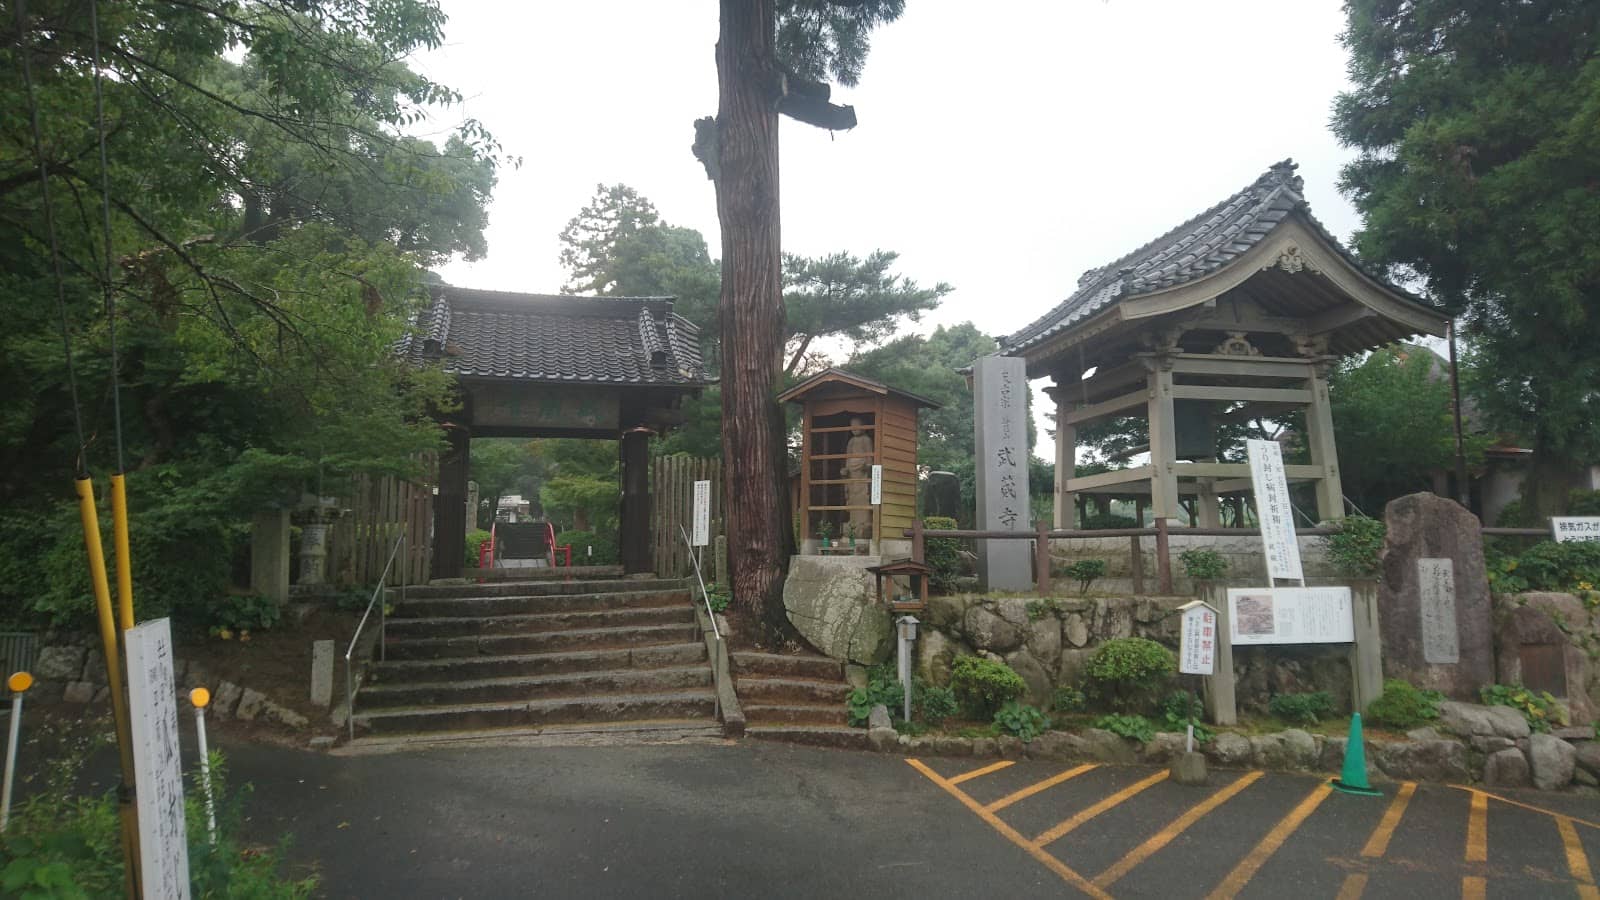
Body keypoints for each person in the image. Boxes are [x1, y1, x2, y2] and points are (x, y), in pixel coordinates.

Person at [841, 417, 874, 541]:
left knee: (863, 496)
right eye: (852, 426)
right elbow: (848, 457)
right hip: (852, 471)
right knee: (853, 496)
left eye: (857, 425)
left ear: (863, 426)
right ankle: (853, 521)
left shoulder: (866, 439)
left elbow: (870, 457)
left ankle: (864, 522)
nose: (854, 428)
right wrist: (846, 469)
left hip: (862, 470)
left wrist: (868, 465)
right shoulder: (851, 441)